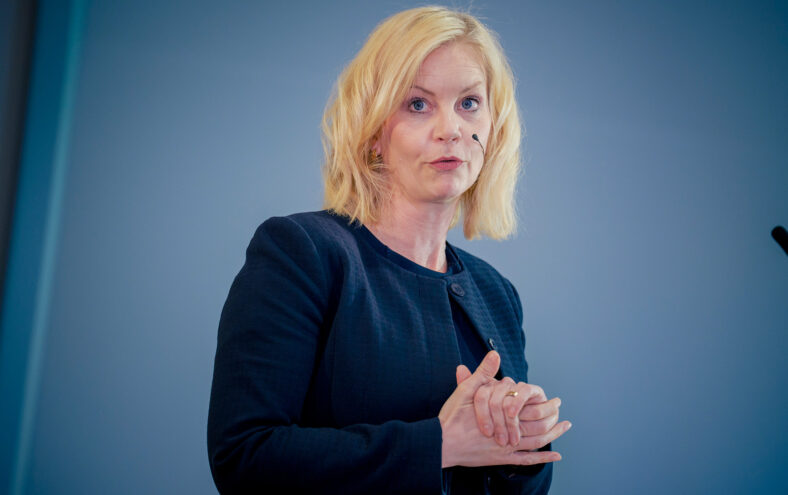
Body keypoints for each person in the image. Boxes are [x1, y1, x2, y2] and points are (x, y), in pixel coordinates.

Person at [207, 6, 570, 494]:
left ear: (494, 126)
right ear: (374, 132)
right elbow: (245, 459)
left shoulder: (497, 293)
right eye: (418, 104)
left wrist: (522, 446)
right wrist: (440, 445)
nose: (451, 129)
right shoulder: (302, 253)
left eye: (469, 103)